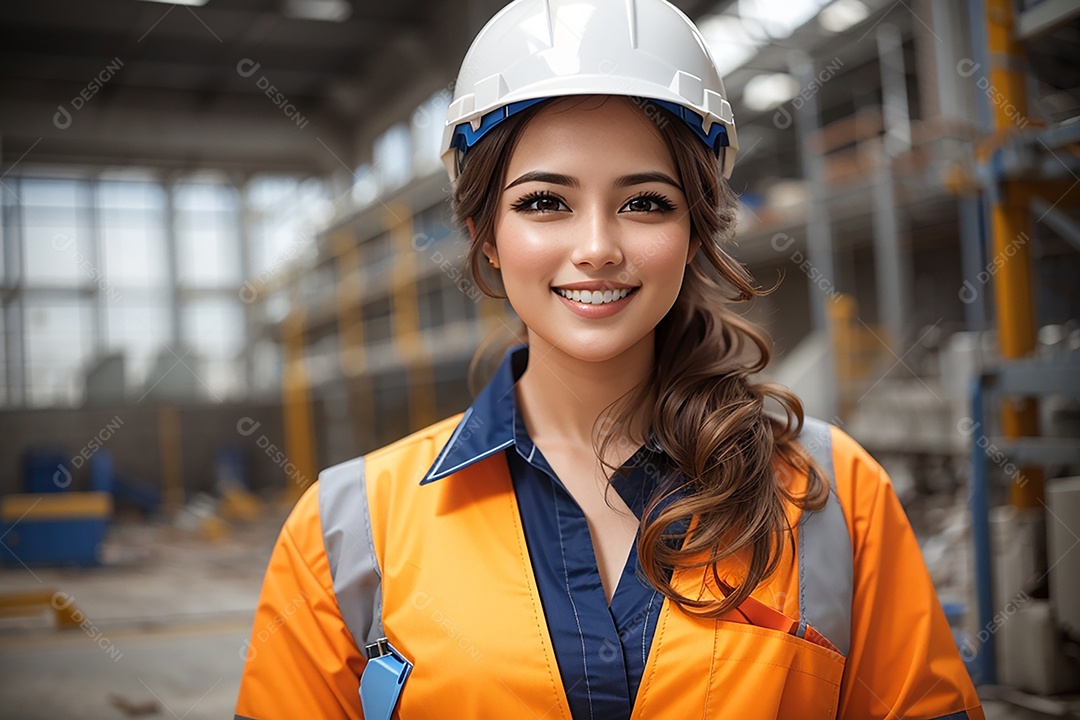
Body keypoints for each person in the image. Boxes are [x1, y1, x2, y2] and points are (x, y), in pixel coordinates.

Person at [235, 1, 985, 718]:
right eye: (543, 203)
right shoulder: (347, 530)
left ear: (695, 229)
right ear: (485, 233)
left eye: (646, 202)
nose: (596, 248)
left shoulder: (832, 494)